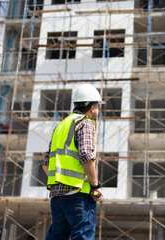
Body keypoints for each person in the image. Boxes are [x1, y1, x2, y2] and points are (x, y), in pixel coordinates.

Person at [42, 84, 104, 240]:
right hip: (79, 195)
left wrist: (61, 180)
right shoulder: (86, 122)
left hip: (57, 198)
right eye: (98, 106)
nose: (98, 110)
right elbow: (86, 156)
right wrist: (95, 185)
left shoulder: (60, 127)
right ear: (92, 108)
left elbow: (46, 164)